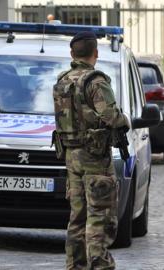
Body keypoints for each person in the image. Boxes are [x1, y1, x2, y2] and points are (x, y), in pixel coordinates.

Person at [53, 31, 129, 270]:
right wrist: (124, 120)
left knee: (77, 218)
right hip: (94, 158)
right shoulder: (96, 81)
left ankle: (75, 265)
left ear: (72, 54)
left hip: (71, 156)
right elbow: (110, 116)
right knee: (100, 217)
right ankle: (100, 265)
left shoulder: (62, 80)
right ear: (96, 53)